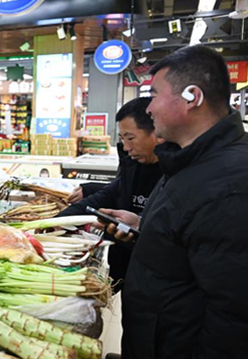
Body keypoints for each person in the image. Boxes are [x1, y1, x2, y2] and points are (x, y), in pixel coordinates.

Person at [100, 45, 248, 358]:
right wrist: (143, 228)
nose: (149, 108)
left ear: (192, 97)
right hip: (157, 338)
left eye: (154, 94)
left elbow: (234, 314)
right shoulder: (189, 161)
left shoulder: (230, 182)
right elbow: (191, 244)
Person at [57, 97, 163, 293]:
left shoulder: (176, 173)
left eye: (130, 138)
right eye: (122, 139)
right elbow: (109, 193)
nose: (126, 147)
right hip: (123, 264)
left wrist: (140, 224)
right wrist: (59, 221)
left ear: (157, 132)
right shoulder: (132, 164)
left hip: (157, 273)